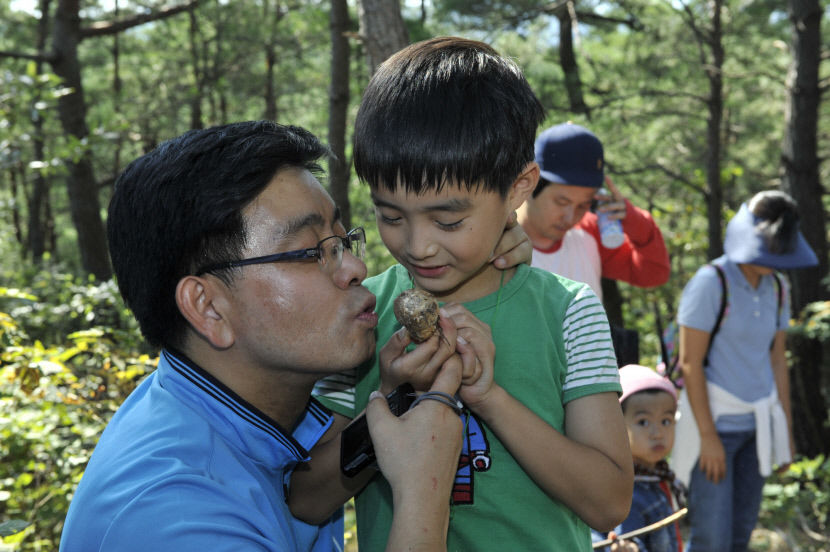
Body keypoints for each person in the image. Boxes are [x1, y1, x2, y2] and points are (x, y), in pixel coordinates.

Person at [58, 120, 478, 552]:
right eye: (313, 251)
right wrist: (423, 493)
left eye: (343, 241)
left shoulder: (230, 414)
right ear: (209, 307)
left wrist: (398, 398)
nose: (356, 268)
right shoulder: (176, 517)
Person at [306, 37, 633, 551]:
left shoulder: (567, 311)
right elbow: (307, 497)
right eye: (389, 215)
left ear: (519, 188)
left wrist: (491, 398)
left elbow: (610, 501)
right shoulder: (358, 311)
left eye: (450, 219)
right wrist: (393, 398)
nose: (417, 245)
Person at [671, 190, 818, 551]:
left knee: (739, 536)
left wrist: (784, 428)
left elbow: (776, 358)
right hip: (716, 426)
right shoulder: (711, 283)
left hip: (758, 427)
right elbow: (690, 362)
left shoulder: (778, 288)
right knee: (711, 538)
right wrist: (708, 436)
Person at [516, 122, 670, 303]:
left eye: (584, 205)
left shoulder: (589, 232)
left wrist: (633, 219)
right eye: (561, 201)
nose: (570, 217)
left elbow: (653, 274)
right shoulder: (493, 239)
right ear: (527, 184)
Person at [593, 364, 686, 552]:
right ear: (616, 426)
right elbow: (628, 541)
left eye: (666, 421)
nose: (657, 433)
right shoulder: (628, 493)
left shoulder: (658, 477)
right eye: (643, 422)